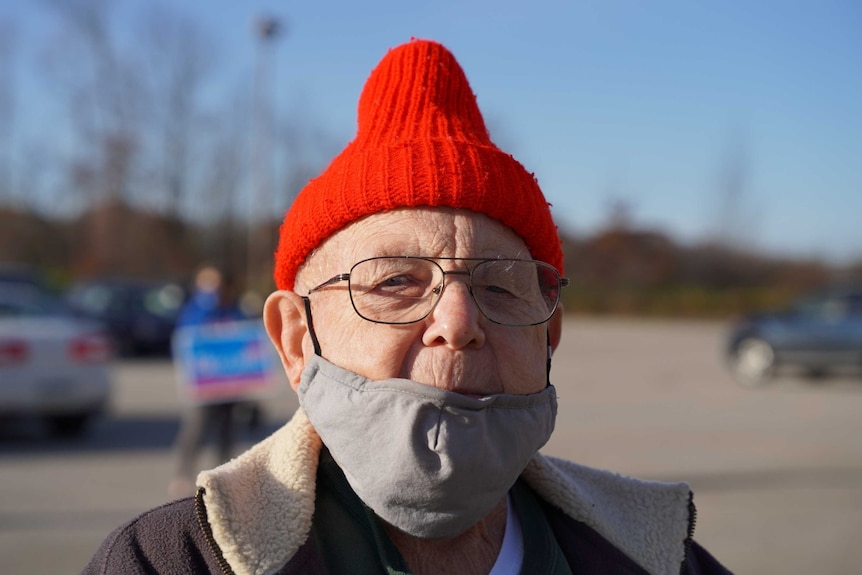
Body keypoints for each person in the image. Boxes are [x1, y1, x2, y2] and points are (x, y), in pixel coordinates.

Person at [83, 39, 730, 575]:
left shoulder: (660, 558)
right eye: (394, 281)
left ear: (549, 334)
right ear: (296, 337)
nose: (458, 323)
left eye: (501, 286)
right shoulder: (170, 564)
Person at [167, 266, 256, 499]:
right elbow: (186, 335)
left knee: (227, 432)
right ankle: (182, 475)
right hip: (205, 386)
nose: (215, 290)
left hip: (230, 385)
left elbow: (247, 339)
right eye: (208, 284)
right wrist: (208, 302)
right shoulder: (197, 309)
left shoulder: (237, 310)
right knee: (195, 431)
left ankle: (222, 479)